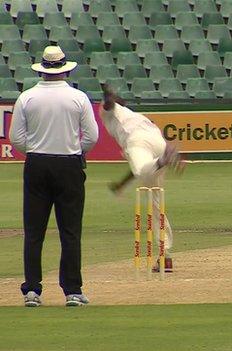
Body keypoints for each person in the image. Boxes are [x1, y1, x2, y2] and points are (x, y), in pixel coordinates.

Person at [9, 46, 99, 307]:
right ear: (66, 69)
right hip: (69, 165)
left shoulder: (27, 97)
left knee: (34, 231)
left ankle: (32, 291)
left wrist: (37, 152)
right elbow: (92, 137)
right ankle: (72, 290)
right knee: (70, 231)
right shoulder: (78, 98)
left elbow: (16, 138)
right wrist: (75, 152)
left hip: (37, 164)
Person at [102, 85, 183, 273]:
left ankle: (162, 161)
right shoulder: (132, 115)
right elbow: (137, 169)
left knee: (143, 171)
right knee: (155, 199)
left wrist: (107, 93)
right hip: (157, 141)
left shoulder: (111, 112)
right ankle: (165, 256)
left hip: (138, 140)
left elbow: (107, 104)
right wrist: (121, 185)